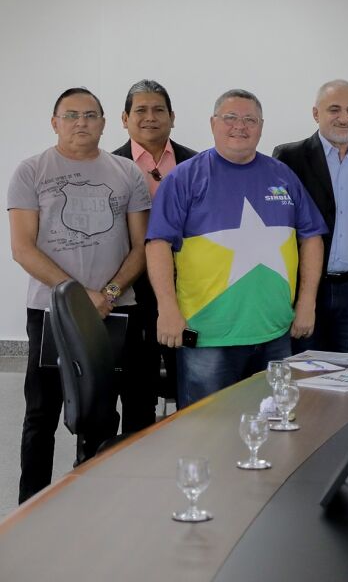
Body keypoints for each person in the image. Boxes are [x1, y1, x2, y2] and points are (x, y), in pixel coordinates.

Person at [8, 87, 152, 503]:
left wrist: (106, 293)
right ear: (54, 122)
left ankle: (94, 506)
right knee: (41, 414)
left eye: (90, 115)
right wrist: (78, 296)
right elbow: (23, 249)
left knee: (101, 414)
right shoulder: (31, 171)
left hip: (114, 311)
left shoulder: (127, 173)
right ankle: (29, 507)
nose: (81, 122)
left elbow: (141, 246)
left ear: (106, 123)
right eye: (70, 115)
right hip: (51, 314)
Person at [145, 89, 326, 407]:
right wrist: (167, 308)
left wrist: (307, 301)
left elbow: (311, 237)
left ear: (261, 126)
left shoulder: (282, 175)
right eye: (230, 118)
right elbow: (158, 243)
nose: (240, 126)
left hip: (275, 333)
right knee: (206, 433)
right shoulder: (185, 179)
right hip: (206, 335)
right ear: (213, 123)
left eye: (249, 119)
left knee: (273, 429)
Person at [274, 80, 348, 352]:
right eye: (334, 109)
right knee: (304, 378)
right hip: (306, 289)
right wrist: (302, 298)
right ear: (316, 113)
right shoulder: (290, 157)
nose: (344, 118)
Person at [113, 79, 196, 405]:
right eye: (141, 110)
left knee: (188, 380)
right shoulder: (110, 166)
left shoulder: (195, 164)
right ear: (124, 118)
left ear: (172, 117)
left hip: (188, 290)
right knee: (137, 389)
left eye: (159, 110)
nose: (150, 117)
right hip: (131, 291)